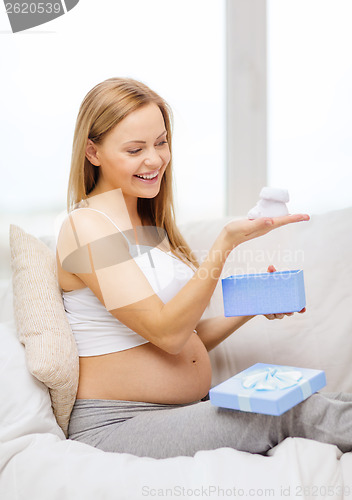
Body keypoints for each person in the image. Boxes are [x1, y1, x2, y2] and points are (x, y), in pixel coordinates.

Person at [56, 77, 352, 459]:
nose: (155, 159)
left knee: (318, 398)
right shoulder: (87, 226)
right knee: (287, 411)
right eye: (134, 149)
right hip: (118, 424)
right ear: (92, 152)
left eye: (161, 142)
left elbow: (185, 337)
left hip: (172, 412)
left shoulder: (147, 226)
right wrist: (224, 244)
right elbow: (168, 334)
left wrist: (253, 304)